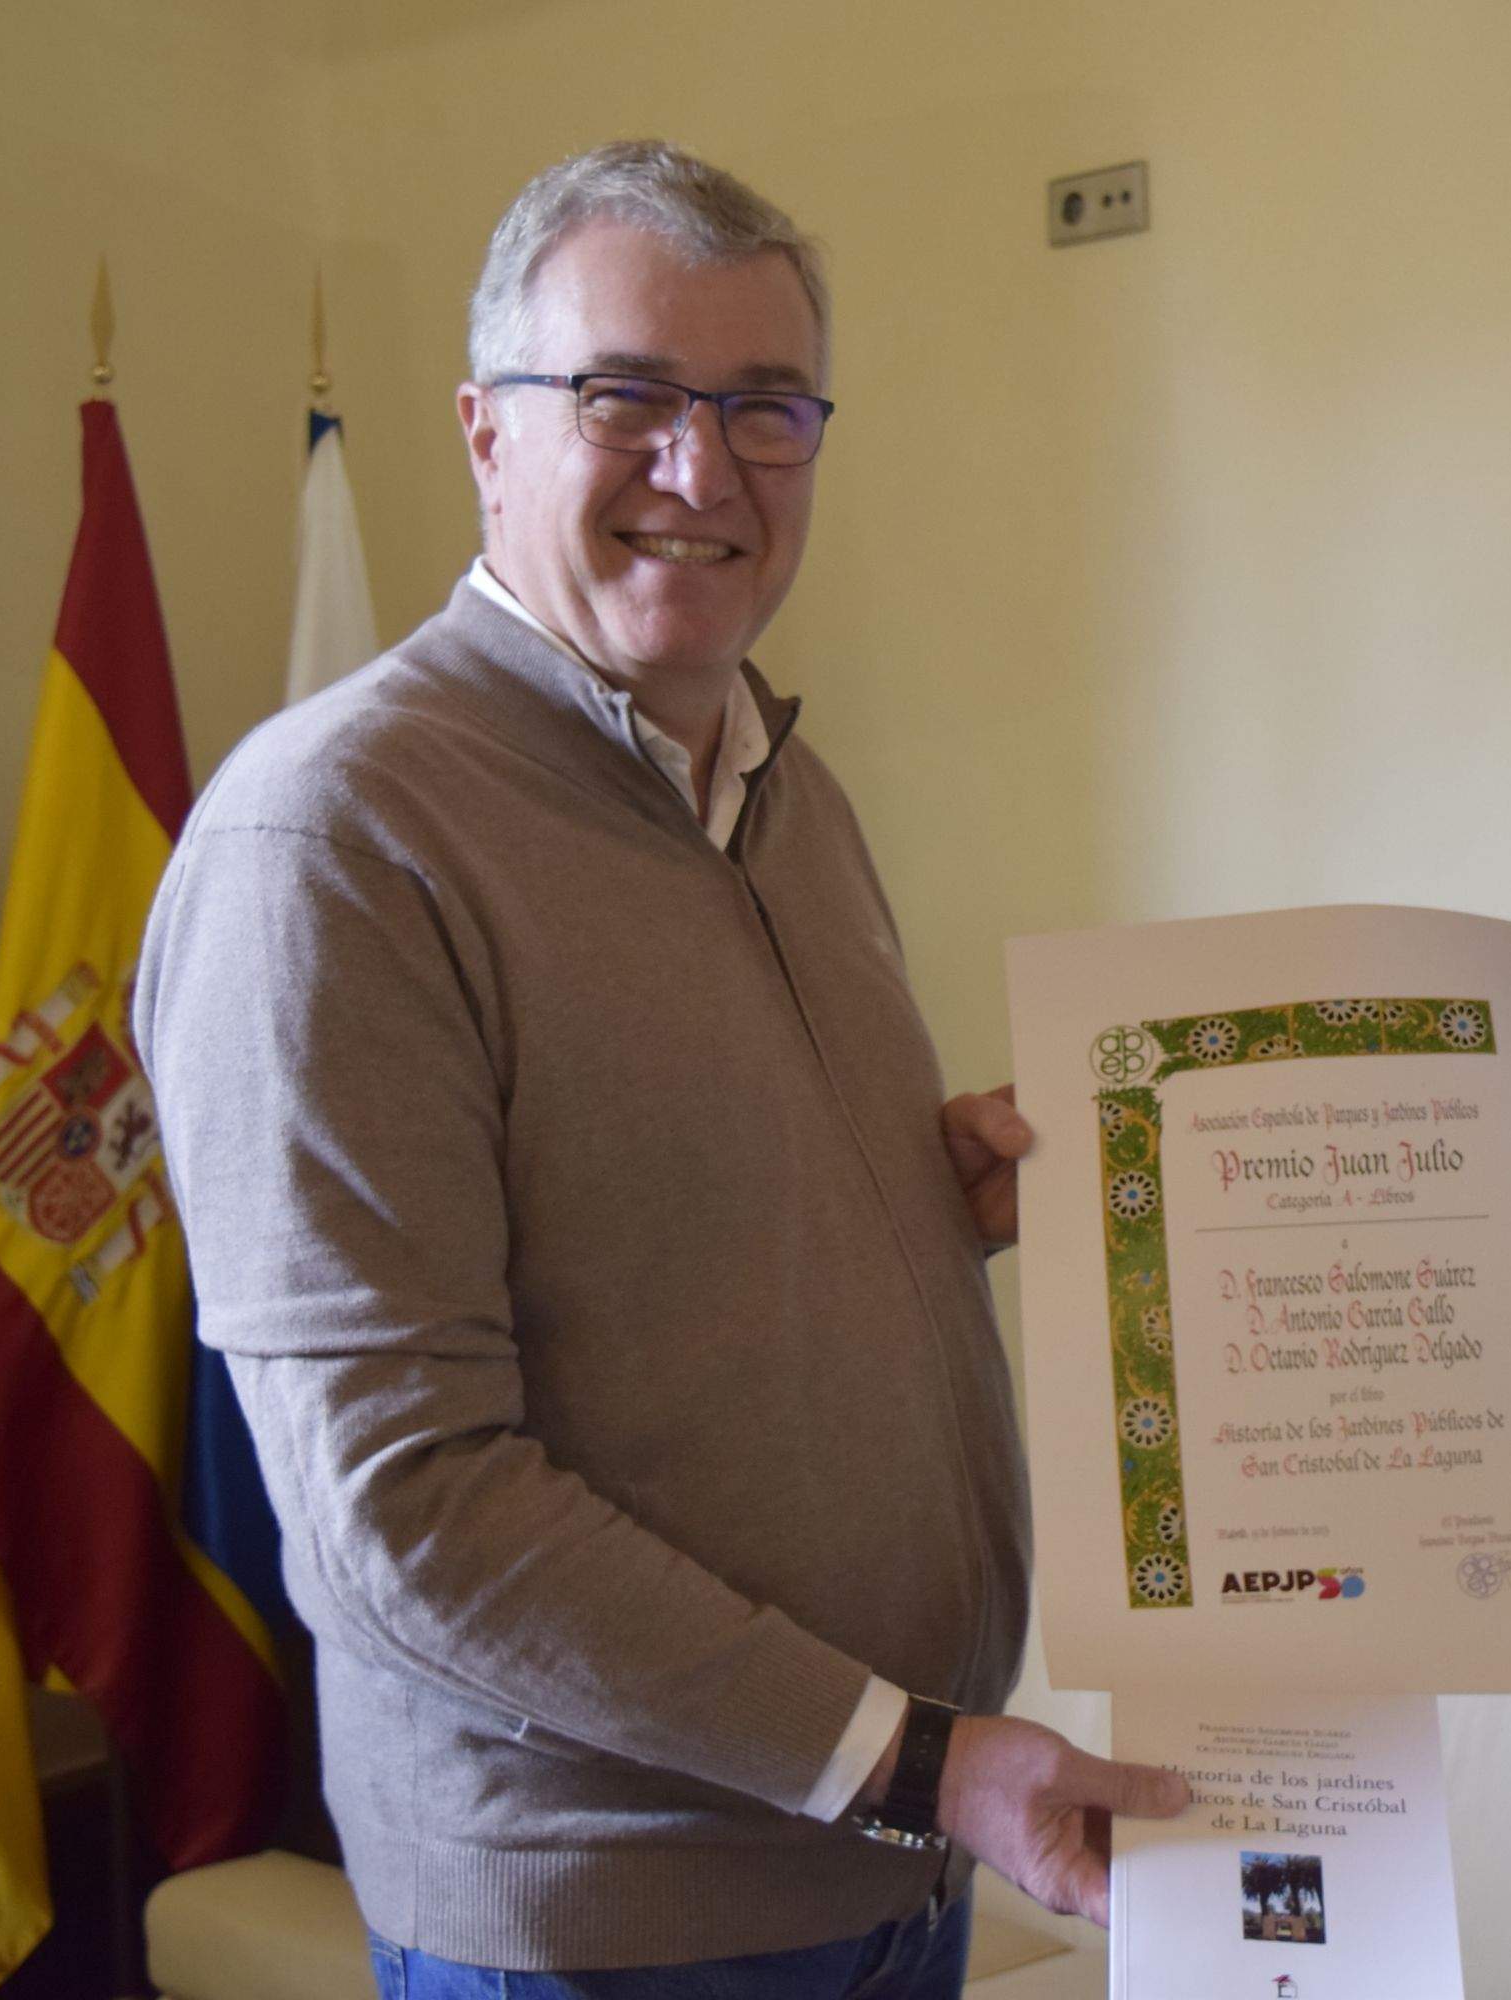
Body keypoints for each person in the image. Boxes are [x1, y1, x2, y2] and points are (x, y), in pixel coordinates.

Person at [137, 140, 1184, 1997]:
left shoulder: (777, 786)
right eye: (628, 396)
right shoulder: (334, 840)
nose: (702, 471)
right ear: (484, 433)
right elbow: (409, 1511)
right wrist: (924, 1761)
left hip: (882, 1873)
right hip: (611, 1935)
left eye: (767, 409)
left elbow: (636, 1233)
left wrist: (905, 1209)